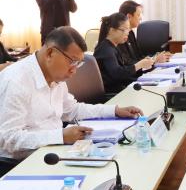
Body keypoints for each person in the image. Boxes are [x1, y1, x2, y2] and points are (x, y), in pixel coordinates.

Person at [0, 26, 142, 161]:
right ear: (50, 53)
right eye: (72, 62)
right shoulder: (16, 81)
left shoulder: (55, 76)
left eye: (78, 64)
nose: (74, 70)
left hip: (56, 150)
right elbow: (8, 138)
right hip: (23, 162)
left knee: (120, 155)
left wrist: (114, 111)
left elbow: (72, 110)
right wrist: (60, 136)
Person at [94, 12, 149, 94]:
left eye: (128, 29)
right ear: (112, 30)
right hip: (113, 93)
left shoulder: (113, 46)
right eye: (124, 30)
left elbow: (125, 68)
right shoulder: (106, 49)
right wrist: (139, 65)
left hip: (120, 88)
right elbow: (118, 74)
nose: (127, 33)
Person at [118, 0, 170, 67]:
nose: (140, 18)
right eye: (138, 15)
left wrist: (155, 57)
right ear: (129, 17)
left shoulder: (131, 33)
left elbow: (139, 56)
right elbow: (128, 63)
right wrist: (154, 60)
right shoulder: (119, 37)